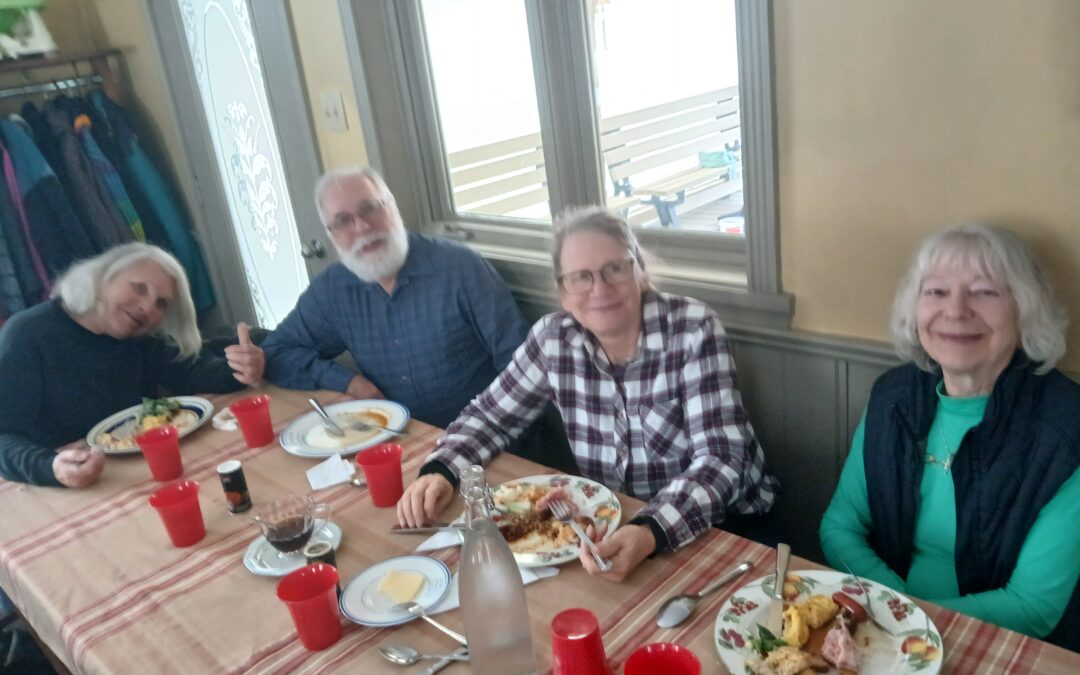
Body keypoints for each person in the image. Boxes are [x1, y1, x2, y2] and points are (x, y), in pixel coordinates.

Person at [398, 206, 778, 581]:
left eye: (615, 269)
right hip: (617, 527)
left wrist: (649, 530)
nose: (599, 289)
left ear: (640, 271)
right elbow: (490, 417)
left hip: (725, 526)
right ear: (563, 292)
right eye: (580, 277)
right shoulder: (553, 339)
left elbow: (721, 459)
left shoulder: (693, 329)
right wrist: (442, 469)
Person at [819, 224, 1080, 649]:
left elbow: (1033, 606)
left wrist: (906, 620)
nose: (956, 310)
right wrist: (895, 608)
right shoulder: (893, 398)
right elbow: (840, 526)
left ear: (1024, 311)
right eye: (936, 291)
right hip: (882, 631)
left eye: (984, 292)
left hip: (996, 645)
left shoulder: (1066, 429)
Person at [261, 165, 528, 428]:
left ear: (392, 206)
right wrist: (349, 382)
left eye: (370, 208)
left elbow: (523, 370)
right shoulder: (333, 289)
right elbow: (276, 353)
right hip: (391, 438)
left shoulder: (461, 268)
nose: (362, 226)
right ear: (331, 235)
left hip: (484, 436)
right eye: (343, 221)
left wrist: (479, 434)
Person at [0, 243, 265, 488]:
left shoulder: (144, 336)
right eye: (139, 288)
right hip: (58, 486)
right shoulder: (27, 334)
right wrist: (51, 467)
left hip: (140, 474)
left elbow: (193, 373)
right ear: (103, 277)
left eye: (161, 303)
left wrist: (243, 365)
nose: (148, 307)